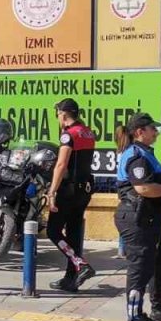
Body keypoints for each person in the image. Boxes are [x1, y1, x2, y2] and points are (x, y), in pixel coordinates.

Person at [115, 113, 161, 321]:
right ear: (140, 132)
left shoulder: (146, 153)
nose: (156, 132)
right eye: (152, 129)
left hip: (150, 219)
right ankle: (134, 315)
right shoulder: (137, 155)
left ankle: (158, 308)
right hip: (137, 219)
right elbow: (143, 188)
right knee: (140, 267)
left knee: (159, 264)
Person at [45, 98, 98, 291]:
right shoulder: (88, 132)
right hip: (85, 189)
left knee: (53, 230)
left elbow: (61, 164)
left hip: (68, 189)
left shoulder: (69, 135)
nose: (58, 117)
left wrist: (51, 192)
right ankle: (71, 278)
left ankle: (80, 264)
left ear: (64, 114)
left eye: (58, 114)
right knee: (74, 233)